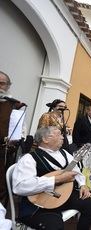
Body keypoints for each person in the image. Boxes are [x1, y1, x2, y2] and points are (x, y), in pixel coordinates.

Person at [12, 126, 91, 230]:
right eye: (59, 134)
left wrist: (83, 185)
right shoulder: (29, 159)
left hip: (62, 195)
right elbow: (19, 187)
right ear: (45, 139)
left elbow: (76, 172)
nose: (63, 137)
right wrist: (57, 179)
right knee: (55, 225)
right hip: (39, 203)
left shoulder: (65, 153)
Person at [0, 71, 26, 206]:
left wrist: (13, 142)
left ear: (8, 86)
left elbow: (20, 131)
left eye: (2, 83)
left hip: (3, 152)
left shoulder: (15, 106)